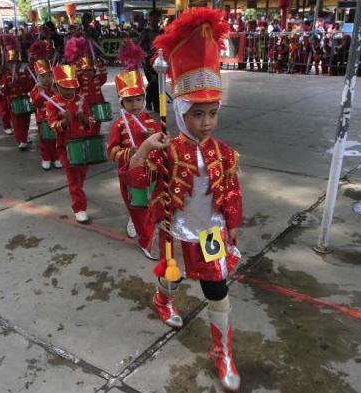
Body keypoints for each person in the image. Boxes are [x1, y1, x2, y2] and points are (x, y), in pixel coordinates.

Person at [122, 9, 243, 391]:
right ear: (180, 111)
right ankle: (163, 301)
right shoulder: (165, 149)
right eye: (197, 114)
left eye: (212, 114)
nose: (206, 122)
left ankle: (222, 352)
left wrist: (231, 228)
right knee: (171, 279)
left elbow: (232, 192)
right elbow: (137, 181)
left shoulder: (224, 151)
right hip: (176, 232)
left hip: (211, 236)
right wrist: (142, 150)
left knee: (216, 290)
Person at [108, 40, 160, 258]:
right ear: (122, 103)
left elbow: (163, 147)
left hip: (151, 172)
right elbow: (111, 151)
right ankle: (145, 241)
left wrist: (154, 141)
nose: (135, 104)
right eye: (129, 100)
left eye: (139, 99)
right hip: (129, 174)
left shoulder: (151, 122)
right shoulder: (119, 125)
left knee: (150, 204)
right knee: (137, 207)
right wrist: (130, 153)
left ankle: (141, 222)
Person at [46, 64, 98, 223]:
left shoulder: (81, 100)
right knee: (74, 178)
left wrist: (84, 118)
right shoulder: (52, 103)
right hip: (65, 147)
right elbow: (51, 125)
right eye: (65, 87)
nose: (69, 91)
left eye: (72, 87)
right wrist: (63, 122)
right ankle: (79, 207)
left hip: (84, 145)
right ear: (56, 86)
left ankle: (77, 191)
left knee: (81, 175)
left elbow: (92, 122)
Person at [29, 41, 62, 170]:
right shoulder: (36, 89)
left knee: (57, 139)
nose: (47, 79)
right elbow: (35, 103)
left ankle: (57, 158)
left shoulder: (55, 87)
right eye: (43, 76)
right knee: (45, 140)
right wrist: (38, 93)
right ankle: (46, 158)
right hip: (42, 118)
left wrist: (55, 90)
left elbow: (61, 101)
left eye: (49, 76)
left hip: (55, 117)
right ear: (38, 77)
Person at [0, 34, 35, 150]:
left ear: (19, 63)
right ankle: (21, 140)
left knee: (26, 121)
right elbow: (3, 91)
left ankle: (24, 136)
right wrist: (9, 85)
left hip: (24, 101)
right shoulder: (6, 76)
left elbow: (30, 87)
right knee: (16, 123)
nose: (13, 65)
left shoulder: (23, 74)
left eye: (16, 62)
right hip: (13, 102)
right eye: (10, 63)